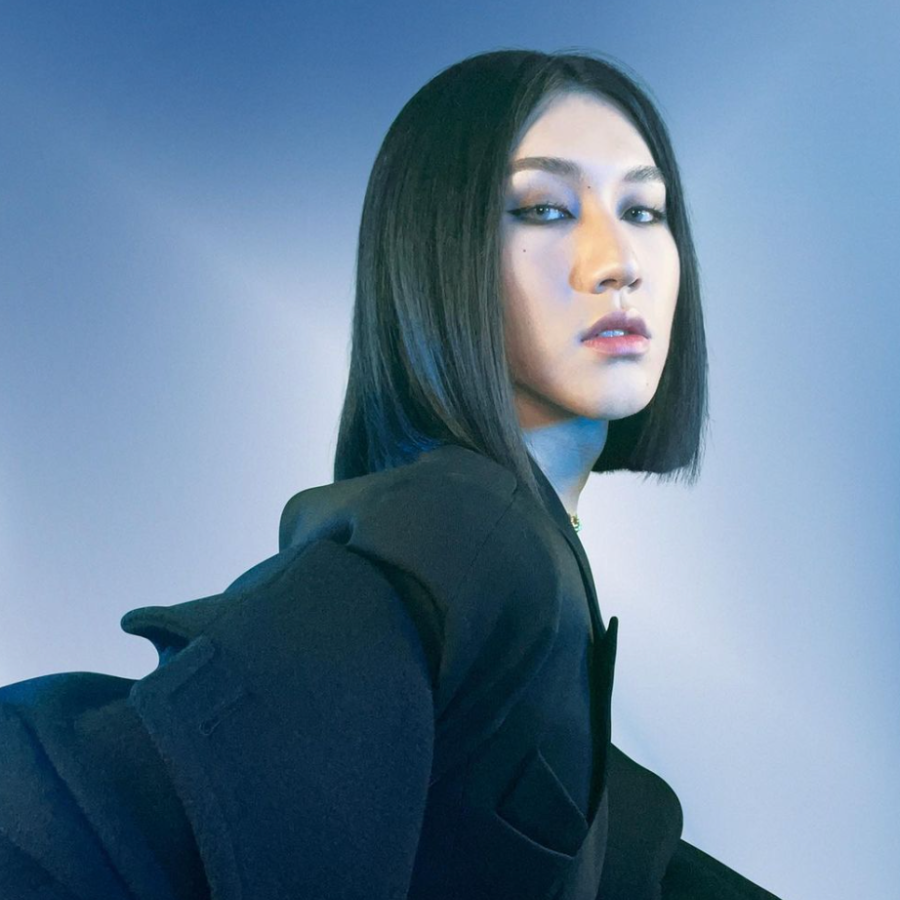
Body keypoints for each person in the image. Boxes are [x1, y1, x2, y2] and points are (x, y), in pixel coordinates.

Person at [0, 49, 783, 899]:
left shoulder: (519, 564)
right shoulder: (467, 528)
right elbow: (108, 800)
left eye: (643, 210)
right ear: (438, 257)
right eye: (544, 209)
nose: (618, 260)